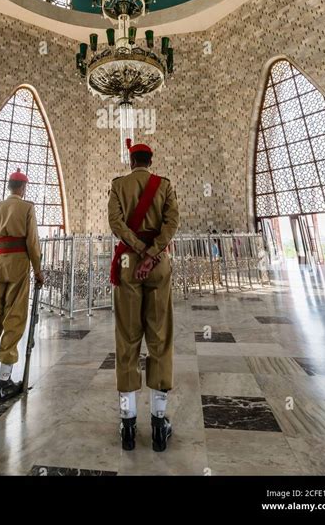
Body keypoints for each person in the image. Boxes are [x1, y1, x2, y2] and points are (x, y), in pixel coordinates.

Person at [108, 140, 179, 452]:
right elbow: (172, 222)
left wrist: (137, 250)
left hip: (127, 261)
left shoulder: (119, 185)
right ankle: (159, 423)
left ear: (131, 160)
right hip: (159, 261)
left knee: (127, 338)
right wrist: (152, 252)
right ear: (151, 161)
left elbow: (115, 223)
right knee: (160, 337)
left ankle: (127, 423)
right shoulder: (164, 186)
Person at [0, 168, 43, 410]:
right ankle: (4, 382)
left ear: (8, 186)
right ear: (23, 188)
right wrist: (38, 268)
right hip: (17, 266)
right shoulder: (27, 208)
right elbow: (32, 242)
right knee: (14, 319)